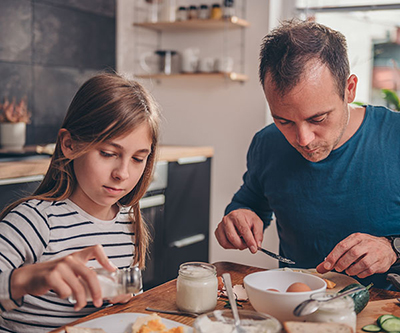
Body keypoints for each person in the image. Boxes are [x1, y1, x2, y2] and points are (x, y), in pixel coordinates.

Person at [215, 19, 400, 289]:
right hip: (296, 312)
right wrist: (238, 216)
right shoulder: (267, 143)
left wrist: (392, 248)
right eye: (284, 121)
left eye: (318, 118)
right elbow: (251, 200)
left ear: (349, 89)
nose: (302, 140)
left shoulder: (395, 137)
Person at [0, 72, 161, 332]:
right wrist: (25, 279)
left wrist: (126, 297)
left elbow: (131, 305)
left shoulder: (128, 222)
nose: (123, 173)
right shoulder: (34, 221)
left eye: (138, 158)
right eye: (108, 153)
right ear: (69, 144)